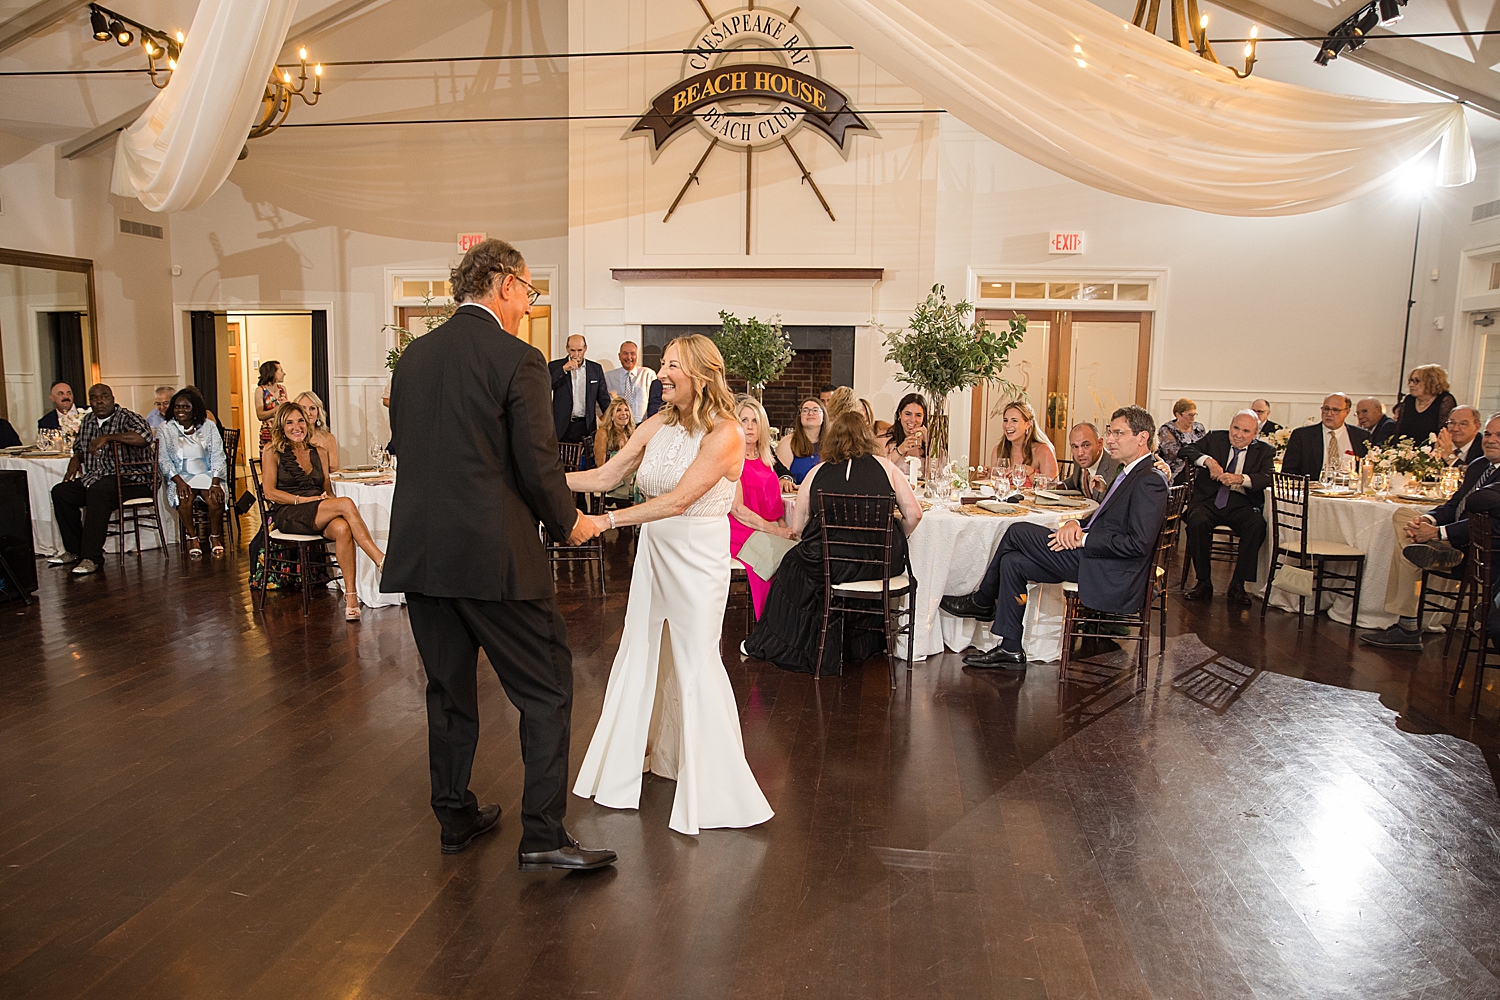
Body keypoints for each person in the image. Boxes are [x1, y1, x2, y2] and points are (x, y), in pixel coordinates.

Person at [383, 238, 614, 869]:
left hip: (423, 557)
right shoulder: (520, 359)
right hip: (494, 559)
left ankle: (455, 816)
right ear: (505, 284)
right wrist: (570, 525)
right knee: (547, 689)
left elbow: (411, 448)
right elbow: (538, 466)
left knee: (449, 690)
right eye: (529, 292)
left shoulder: (413, 359)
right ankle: (542, 834)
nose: (528, 304)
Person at [566, 334, 774, 836]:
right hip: (654, 553)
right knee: (640, 648)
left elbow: (681, 500)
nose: (660, 373)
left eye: (671, 365)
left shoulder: (725, 434)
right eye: (661, 365)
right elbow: (607, 472)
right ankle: (635, 761)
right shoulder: (657, 422)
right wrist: (539, 479)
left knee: (695, 657)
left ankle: (714, 783)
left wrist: (606, 523)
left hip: (697, 555)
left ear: (702, 374)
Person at [941, 405, 1169, 668]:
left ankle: (981, 601)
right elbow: (1108, 519)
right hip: (1095, 556)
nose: (1111, 439)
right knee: (1012, 562)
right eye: (1110, 431)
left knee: (1017, 530)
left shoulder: (1149, 479)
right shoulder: (1131, 471)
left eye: (1118, 433)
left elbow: (1137, 545)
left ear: (1142, 437)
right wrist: (1074, 522)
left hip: (1109, 568)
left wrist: (1082, 539)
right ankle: (1011, 648)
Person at [743, 410, 923, 673]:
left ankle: (802, 643)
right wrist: (893, 538)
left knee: (792, 566)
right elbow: (915, 514)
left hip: (830, 563)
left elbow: (799, 527)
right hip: (879, 563)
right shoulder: (886, 467)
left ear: (832, 440)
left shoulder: (817, 472)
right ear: (866, 438)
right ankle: (860, 643)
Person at [1360, 413, 1500, 651]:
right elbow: (1454, 504)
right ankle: (1433, 550)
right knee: (1403, 515)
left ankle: (1408, 627)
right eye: (1488, 434)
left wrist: (1438, 533)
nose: (1490, 440)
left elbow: (1491, 526)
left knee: (1408, 550)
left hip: (1478, 550)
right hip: (1451, 537)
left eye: (1498, 435)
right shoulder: (1479, 465)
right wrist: (1426, 519)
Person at [261, 402, 385, 621]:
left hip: (316, 507)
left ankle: (351, 596)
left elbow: (326, 491)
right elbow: (269, 492)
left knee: (342, 527)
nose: (296, 426)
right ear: (281, 426)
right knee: (346, 503)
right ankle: (380, 559)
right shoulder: (272, 451)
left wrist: (331, 505)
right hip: (289, 512)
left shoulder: (319, 451)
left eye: (300, 420)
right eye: (289, 422)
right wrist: (303, 499)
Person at [46, 383, 153, 576]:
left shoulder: (128, 417)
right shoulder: (88, 421)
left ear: (112, 398)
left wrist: (109, 437)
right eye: (94, 398)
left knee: (98, 491)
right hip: (98, 476)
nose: (99, 401)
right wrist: (75, 458)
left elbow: (144, 437)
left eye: (104, 397)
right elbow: (80, 447)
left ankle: (92, 557)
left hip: (134, 478)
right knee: (61, 492)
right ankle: (75, 550)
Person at [1179, 410, 1275, 606]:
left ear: (1256, 433)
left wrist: (1241, 479)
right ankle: (1203, 581)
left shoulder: (1265, 451)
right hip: (1210, 499)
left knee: (1257, 525)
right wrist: (1208, 461)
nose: (1238, 434)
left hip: (1241, 502)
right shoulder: (1216, 439)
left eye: (1245, 431)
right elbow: (1186, 451)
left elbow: (1268, 477)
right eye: (1235, 428)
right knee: (1196, 521)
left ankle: (1238, 584)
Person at [728, 395, 795, 619]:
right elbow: (738, 509)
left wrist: (785, 529)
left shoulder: (766, 458)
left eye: (755, 421)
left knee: (798, 552)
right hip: (739, 529)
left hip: (763, 526)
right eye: (744, 420)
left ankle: (790, 622)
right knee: (775, 559)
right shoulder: (732, 458)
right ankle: (770, 623)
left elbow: (775, 506)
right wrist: (776, 531)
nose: (749, 426)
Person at [157, 387, 227, 558]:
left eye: (185, 407)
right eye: (177, 407)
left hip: (208, 473)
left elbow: (218, 454)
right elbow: (163, 459)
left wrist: (215, 482)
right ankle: (192, 537)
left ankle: (215, 536)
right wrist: (179, 482)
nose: (180, 411)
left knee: (215, 498)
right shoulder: (165, 428)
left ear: (195, 408)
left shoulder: (208, 426)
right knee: (184, 498)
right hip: (181, 475)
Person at [1280, 393, 1370, 477]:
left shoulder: (1361, 436)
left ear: (1347, 412)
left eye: (1335, 410)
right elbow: (1288, 472)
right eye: (1326, 409)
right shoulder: (1303, 436)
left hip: (1350, 489)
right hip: (1312, 490)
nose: (1329, 414)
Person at [549, 335, 611, 453]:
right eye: (572, 350)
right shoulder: (555, 366)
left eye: (579, 350)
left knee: (586, 463)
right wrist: (563, 370)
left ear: (585, 348)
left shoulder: (595, 369)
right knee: (563, 464)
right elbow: (546, 386)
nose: (576, 354)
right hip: (563, 426)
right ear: (567, 349)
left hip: (586, 425)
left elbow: (603, 399)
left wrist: (612, 421)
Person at [988, 400, 1060, 482]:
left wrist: (1029, 471)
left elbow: (1053, 487)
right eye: (1005, 420)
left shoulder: (1043, 451)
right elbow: (996, 485)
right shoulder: (998, 450)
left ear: (1028, 424)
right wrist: (987, 477)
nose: (1007, 425)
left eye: (1014, 420)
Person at [1393, 364, 1457, 446]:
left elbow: (1443, 432)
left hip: (1431, 452)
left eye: (1416, 381)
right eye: (1410, 381)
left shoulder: (1445, 400)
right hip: (1406, 451)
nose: (1411, 385)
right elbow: (1398, 430)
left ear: (1431, 382)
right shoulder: (1409, 399)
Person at [1060, 422, 1121, 499]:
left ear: (1100, 444)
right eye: (1075, 446)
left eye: (1086, 445)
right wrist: (1058, 485)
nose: (1080, 453)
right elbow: (1076, 480)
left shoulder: (1117, 467)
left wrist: (1105, 490)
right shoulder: (1079, 459)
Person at [595, 396, 638, 501]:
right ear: (611, 415)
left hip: (630, 476)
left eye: (626, 410)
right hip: (613, 479)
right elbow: (601, 465)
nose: (623, 413)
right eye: (618, 410)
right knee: (641, 485)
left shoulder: (631, 433)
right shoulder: (603, 432)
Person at [603, 340, 657, 423]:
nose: (629, 357)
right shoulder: (608, 377)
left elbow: (656, 401)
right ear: (619, 356)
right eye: (625, 353)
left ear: (637, 356)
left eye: (632, 353)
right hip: (618, 426)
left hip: (642, 425)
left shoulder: (648, 374)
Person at [775, 397, 825, 485]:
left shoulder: (832, 443)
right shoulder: (788, 443)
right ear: (799, 416)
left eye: (815, 410)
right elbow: (780, 476)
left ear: (824, 416)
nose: (810, 413)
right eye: (805, 410)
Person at [1156, 398, 1205, 483]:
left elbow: (1205, 447)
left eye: (1194, 415)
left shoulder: (1199, 428)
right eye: (1189, 415)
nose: (1192, 419)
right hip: (1175, 470)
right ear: (1178, 415)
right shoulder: (1167, 430)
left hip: (1197, 469)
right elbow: (1173, 454)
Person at [294, 390, 340, 471]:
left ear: (318, 412)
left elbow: (334, 471)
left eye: (312, 408)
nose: (308, 413)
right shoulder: (291, 438)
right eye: (303, 408)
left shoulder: (328, 438)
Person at [879, 393, 927, 464]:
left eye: (918, 415)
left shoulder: (930, 440)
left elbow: (940, 469)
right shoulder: (884, 437)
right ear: (900, 414)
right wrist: (900, 450)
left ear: (923, 418)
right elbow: (879, 469)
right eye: (908, 414)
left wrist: (928, 443)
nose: (913, 420)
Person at [255, 360, 287, 448]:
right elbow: (260, 415)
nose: (284, 373)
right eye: (280, 370)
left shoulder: (282, 389)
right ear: (272, 373)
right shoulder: (260, 390)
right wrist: (277, 409)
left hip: (283, 433)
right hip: (268, 434)